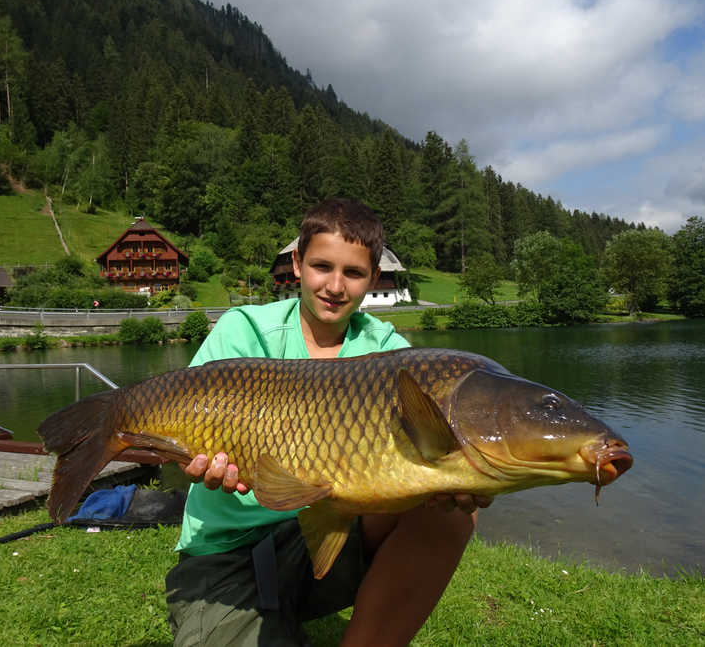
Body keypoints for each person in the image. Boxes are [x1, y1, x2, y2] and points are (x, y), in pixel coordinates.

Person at [165, 199, 490, 646]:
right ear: (297, 264)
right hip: (227, 551)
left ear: (373, 278)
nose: (335, 286)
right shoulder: (242, 330)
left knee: (451, 514)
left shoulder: (390, 351)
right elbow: (182, 420)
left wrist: (456, 475)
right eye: (321, 266)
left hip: (330, 533)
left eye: (353, 273)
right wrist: (191, 457)